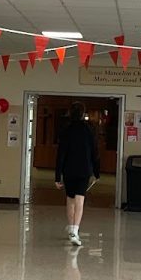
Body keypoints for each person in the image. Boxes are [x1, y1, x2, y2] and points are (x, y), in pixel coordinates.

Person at [55, 102, 100, 246]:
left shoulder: (66, 130)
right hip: (84, 169)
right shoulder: (89, 130)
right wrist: (97, 172)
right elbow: (95, 152)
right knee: (80, 200)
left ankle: (71, 230)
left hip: (69, 170)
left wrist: (57, 176)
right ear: (83, 114)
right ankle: (75, 230)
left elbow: (60, 154)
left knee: (70, 199)